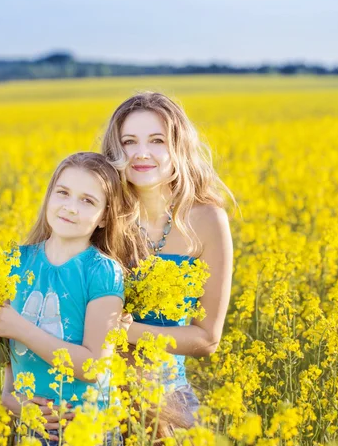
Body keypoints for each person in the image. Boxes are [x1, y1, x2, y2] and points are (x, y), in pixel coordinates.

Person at [0, 152, 144, 446]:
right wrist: (15, 402)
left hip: (87, 430)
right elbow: (8, 367)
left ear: (104, 216)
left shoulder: (102, 272)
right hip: (30, 427)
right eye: (63, 193)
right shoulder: (14, 262)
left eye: (87, 200)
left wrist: (18, 327)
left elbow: (94, 366)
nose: (70, 207)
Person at [101, 92, 234, 435]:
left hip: (167, 404)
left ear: (179, 147)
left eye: (157, 140)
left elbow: (206, 339)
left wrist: (126, 332)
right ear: (115, 151)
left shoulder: (207, 219)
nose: (142, 153)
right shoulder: (99, 214)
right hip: (94, 401)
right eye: (129, 141)